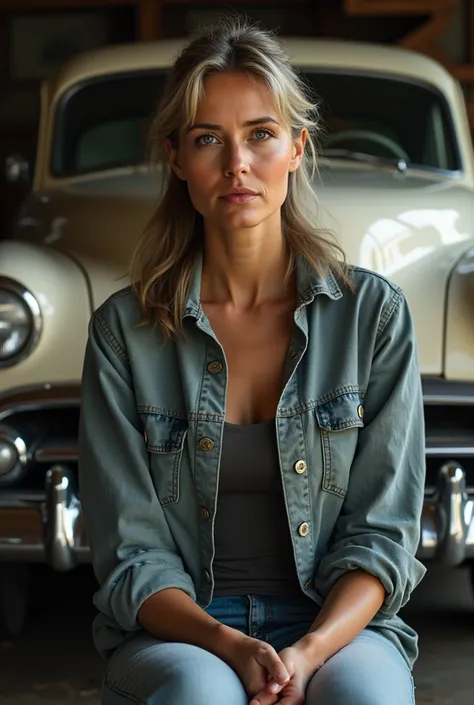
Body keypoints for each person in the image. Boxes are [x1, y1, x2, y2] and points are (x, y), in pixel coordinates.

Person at [78, 15, 426, 705]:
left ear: (297, 147)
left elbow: (383, 534)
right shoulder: (125, 330)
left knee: (368, 698)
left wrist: (309, 651)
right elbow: (130, 553)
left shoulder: (373, 315)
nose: (237, 163)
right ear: (178, 158)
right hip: (185, 630)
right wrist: (229, 644)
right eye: (210, 139)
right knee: (199, 696)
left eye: (260, 134)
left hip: (337, 627)